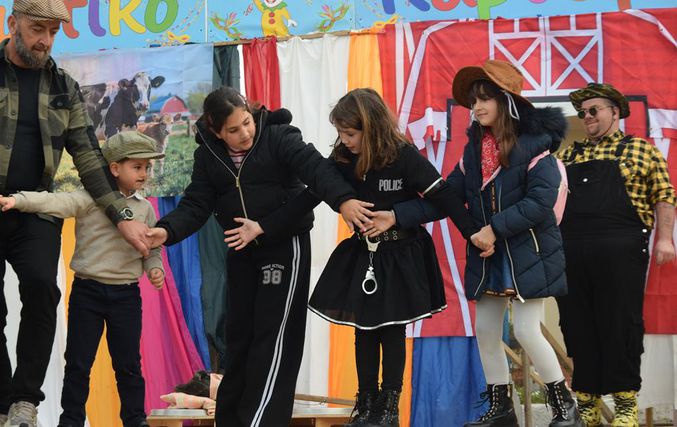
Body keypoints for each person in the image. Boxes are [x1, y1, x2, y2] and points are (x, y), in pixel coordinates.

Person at [146, 86, 373, 427]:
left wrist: (343, 200)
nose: (245, 133)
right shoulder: (208, 155)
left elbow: (317, 170)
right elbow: (196, 203)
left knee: (273, 335)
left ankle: (261, 421)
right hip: (242, 248)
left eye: (247, 122)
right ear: (216, 131)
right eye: (233, 130)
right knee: (239, 336)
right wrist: (165, 231)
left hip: (283, 244)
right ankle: (232, 419)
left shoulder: (279, 136)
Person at [253, 87, 476, 427]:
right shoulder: (344, 158)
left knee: (391, 330)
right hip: (365, 255)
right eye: (341, 133)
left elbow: (442, 199)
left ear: (371, 128)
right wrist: (263, 227)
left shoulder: (404, 156)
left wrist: (405, 217)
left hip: (401, 255)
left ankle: (389, 407)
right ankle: (367, 402)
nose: (344, 141)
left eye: (350, 134)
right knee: (364, 329)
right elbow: (310, 196)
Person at [383, 60, 582, 427]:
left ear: (506, 101)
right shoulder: (473, 153)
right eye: (473, 101)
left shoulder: (536, 146)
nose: (475, 107)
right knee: (487, 332)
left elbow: (540, 202)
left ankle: (565, 408)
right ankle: (501, 410)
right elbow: (446, 197)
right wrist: (396, 216)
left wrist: (494, 229)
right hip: (489, 256)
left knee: (526, 329)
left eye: (484, 98)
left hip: (530, 252)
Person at [0, 2, 151, 425]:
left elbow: (87, 156)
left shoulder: (64, 86)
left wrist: (122, 216)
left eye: (52, 32)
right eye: (37, 29)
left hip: (37, 206)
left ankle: (24, 401)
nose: (45, 41)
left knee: (42, 289)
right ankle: (3, 402)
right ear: (13, 23)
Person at [0, 131, 165, 427]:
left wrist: (155, 268)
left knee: (128, 364)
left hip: (127, 296)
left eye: (147, 167)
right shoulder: (88, 199)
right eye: (137, 167)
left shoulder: (146, 208)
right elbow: (53, 201)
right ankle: (71, 420)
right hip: (87, 293)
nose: (144, 173)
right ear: (114, 168)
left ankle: (135, 419)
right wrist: (18, 200)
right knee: (78, 363)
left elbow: (152, 248)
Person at [555, 83, 676, 426]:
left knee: (620, 323)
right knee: (577, 324)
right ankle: (587, 401)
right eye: (582, 113)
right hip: (572, 251)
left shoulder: (641, 149)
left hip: (623, 248)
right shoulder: (568, 155)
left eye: (593, 110)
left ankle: (625, 404)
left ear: (615, 111)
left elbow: (664, 195)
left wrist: (665, 239)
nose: (587, 117)